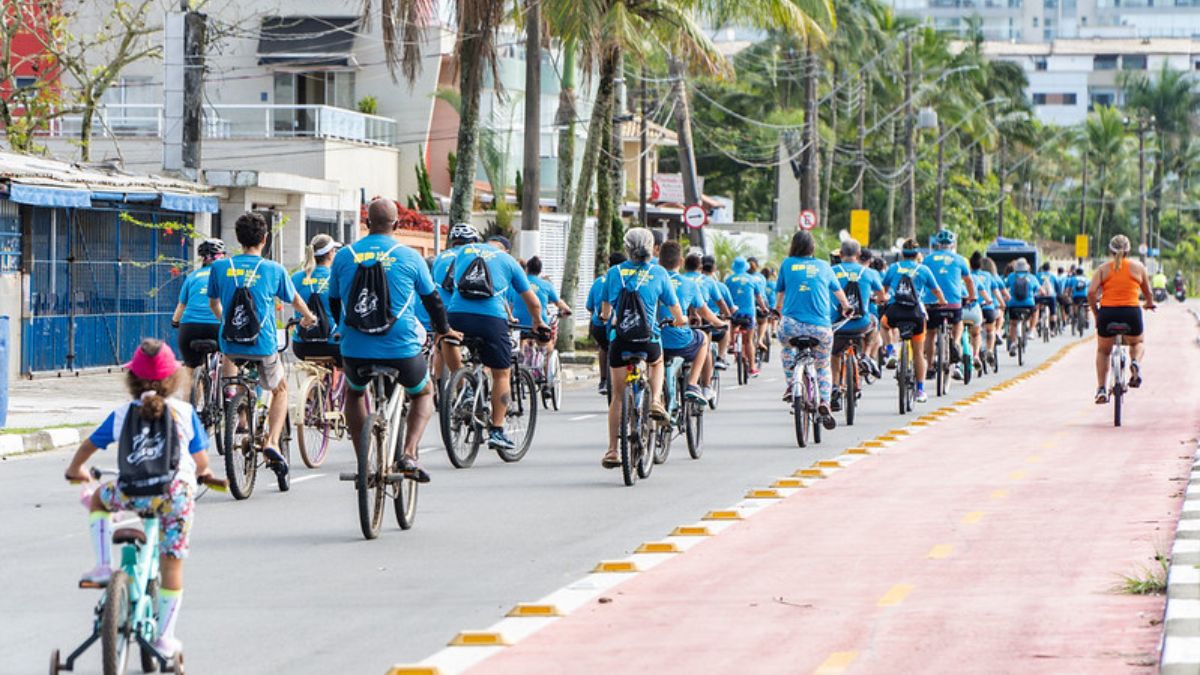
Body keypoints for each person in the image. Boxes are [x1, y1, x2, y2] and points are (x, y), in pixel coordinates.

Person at [64, 339, 212, 658]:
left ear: (131, 379)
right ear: (174, 379)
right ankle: (165, 638)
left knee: (100, 501)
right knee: (172, 566)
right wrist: (204, 473)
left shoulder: (122, 413)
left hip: (133, 492)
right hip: (175, 495)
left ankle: (104, 565)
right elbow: (201, 461)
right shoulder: (184, 412)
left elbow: (90, 445)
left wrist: (76, 468)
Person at [330, 198, 458, 481]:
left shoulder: (343, 255)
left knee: (354, 393)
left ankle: (363, 457)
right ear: (396, 224)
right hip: (400, 348)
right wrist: (443, 329)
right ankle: (409, 453)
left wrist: (342, 327)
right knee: (423, 393)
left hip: (355, 347)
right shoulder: (410, 256)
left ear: (366, 224)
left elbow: (334, 301)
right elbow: (433, 300)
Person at [208, 213, 317, 488]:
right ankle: (270, 442)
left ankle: (238, 406)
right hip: (263, 345)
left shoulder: (220, 268)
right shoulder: (274, 270)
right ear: (265, 239)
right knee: (279, 388)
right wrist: (309, 318)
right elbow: (294, 300)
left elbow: (214, 304)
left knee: (237, 376)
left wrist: (227, 323)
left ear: (238, 239)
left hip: (230, 345)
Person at [442, 226, 546, 451]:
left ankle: (462, 385)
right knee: (502, 373)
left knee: (449, 340)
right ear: (506, 249)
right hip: (490, 319)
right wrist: (539, 322)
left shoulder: (464, 251)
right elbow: (533, 302)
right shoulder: (509, 262)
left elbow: (448, 284)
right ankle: (497, 430)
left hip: (456, 314)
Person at [600, 228, 687, 468]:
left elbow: (605, 313)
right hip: (648, 340)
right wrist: (681, 321)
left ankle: (612, 450)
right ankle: (656, 400)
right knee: (657, 362)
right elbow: (676, 312)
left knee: (617, 397)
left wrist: (607, 315)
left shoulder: (614, 272)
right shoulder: (659, 273)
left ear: (627, 248)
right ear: (652, 248)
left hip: (620, 340)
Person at [775, 230, 854, 426]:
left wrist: (777, 312)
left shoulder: (786, 265)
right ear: (813, 248)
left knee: (786, 350)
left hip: (791, 326)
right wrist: (846, 308)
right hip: (820, 328)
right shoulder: (824, 266)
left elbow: (779, 297)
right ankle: (825, 402)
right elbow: (839, 293)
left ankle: (792, 384)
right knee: (823, 365)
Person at [1088, 234, 1155, 403]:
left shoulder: (1103, 269)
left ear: (1110, 250)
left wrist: (1096, 314)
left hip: (1108, 313)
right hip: (1131, 313)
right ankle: (1135, 363)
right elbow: (1148, 294)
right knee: (1137, 343)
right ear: (1128, 250)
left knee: (1104, 351)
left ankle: (1102, 389)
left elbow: (1090, 293)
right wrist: (1149, 303)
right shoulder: (1138, 267)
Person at [659, 241, 725, 403]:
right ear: (680, 262)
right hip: (681, 341)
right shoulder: (689, 284)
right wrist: (720, 324)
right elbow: (705, 313)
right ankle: (693, 384)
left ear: (659, 261)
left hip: (657, 340)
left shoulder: (654, 280)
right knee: (702, 338)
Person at [881, 240, 946, 403]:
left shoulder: (894, 268)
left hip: (895, 312)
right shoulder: (923, 269)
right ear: (918, 255)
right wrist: (942, 301)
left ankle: (891, 350)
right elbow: (936, 290)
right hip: (916, 314)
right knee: (918, 353)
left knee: (883, 324)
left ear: (902, 254)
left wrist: (882, 299)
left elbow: (884, 290)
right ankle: (920, 390)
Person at [829, 239, 886, 412]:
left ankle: (835, 387)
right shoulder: (869, 273)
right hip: (861, 325)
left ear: (840, 254)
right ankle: (867, 356)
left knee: (835, 354)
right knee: (875, 322)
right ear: (859, 255)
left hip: (837, 325)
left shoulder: (831, 271)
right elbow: (882, 296)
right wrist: (878, 299)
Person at [923, 229, 976, 381]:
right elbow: (969, 281)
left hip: (932, 303)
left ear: (937, 244)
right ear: (952, 244)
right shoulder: (960, 260)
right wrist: (972, 296)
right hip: (953, 303)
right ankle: (956, 342)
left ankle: (931, 366)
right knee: (958, 322)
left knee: (931, 332)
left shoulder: (927, 259)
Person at [511, 255, 572, 378]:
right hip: (539, 323)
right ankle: (546, 377)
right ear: (540, 271)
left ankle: (521, 356)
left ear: (527, 269)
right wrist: (567, 310)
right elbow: (558, 302)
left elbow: (509, 302)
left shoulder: (515, 283)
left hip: (518, 323)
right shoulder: (546, 285)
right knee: (548, 349)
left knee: (519, 339)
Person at [172, 238, 224, 369]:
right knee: (229, 359)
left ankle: (194, 386)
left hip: (190, 327)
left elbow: (181, 305)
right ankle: (225, 385)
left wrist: (175, 322)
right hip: (217, 326)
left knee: (191, 366)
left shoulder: (192, 276)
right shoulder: (225, 276)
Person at [291, 234, 343, 363]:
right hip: (333, 345)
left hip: (302, 346)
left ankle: (315, 382)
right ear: (330, 254)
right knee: (348, 365)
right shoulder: (338, 277)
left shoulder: (296, 278)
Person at [587, 252, 626, 396]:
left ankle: (603, 380)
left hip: (599, 325)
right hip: (620, 325)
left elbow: (589, 306)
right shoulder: (625, 280)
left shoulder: (598, 282)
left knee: (603, 348)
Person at [724, 257, 768, 376]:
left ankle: (732, 344)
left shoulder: (728, 280)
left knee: (732, 325)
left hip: (734, 313)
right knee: (748, 341)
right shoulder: (752, 279)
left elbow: (724, 297)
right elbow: (759, 297)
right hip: (749, 314)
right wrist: (764, 308)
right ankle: (752, 367)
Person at [700, 254, 734, 367]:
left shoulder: (692, 281)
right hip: (713, 325)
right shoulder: (719, 286)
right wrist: (728, 315)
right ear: (714, 269)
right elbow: (725, 305)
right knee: (726, 326)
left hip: (694, 323)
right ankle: (721, 356)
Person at [1003, 258, 1040, 355]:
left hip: (1013, 305)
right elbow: (1041, 291)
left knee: (1013, 324)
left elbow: (1003, 287)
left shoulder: (1011, 276)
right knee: (1035, 311)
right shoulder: (1031, 277)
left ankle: (1013, 343)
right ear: (1027, 268)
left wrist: (1006, 296)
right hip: (1028, 305)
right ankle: (1032, 330)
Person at [967, 252, 996, 370]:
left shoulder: (967, 276)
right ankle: (989, 350)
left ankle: (975, 353)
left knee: (972, 332)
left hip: (970, 307)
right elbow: (994, 291)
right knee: (990, 330)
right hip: (986, 308)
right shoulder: (988, 276)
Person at [747, 257, 771, 355]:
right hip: (761, 303)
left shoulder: (744, 277)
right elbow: (761, 293)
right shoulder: (761, 277)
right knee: (763, 321)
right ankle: (760, 340)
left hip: (747, 303)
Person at [1035, 262, 1060, 333]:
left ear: (1042, 268)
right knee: (1053, 311)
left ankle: (1038, 320)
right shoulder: (1053, 276)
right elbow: (1057, 288)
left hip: (1040, 296)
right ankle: (1052, 329)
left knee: (1037, 308)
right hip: (1051, 297)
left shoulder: (1037, 275)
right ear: (1049, 268)